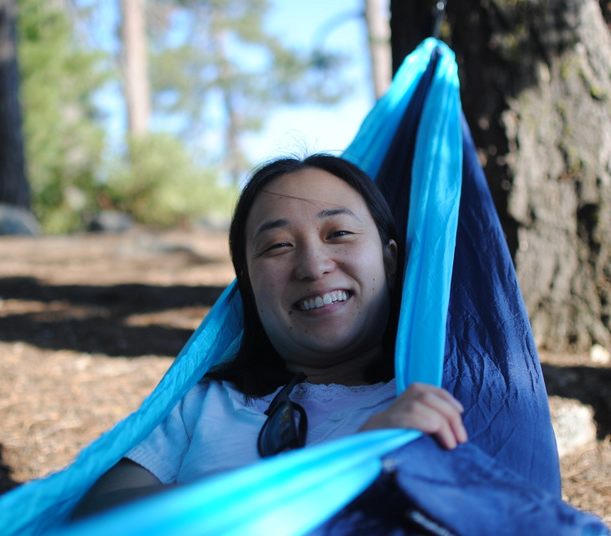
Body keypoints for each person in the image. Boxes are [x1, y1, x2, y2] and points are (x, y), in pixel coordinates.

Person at [72, 154, 467, 520]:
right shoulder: (202, 404)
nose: (312, 266)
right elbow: (98, 515)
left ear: (390, 259)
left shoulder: (426, 403)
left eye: (339, 233)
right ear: (247, 283)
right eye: (278, 246)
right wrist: (341, 467)